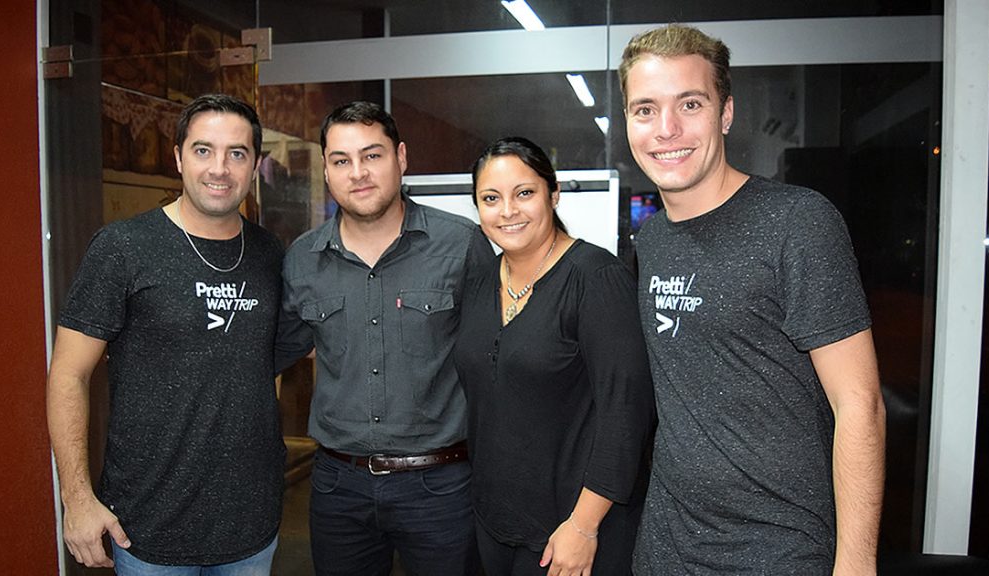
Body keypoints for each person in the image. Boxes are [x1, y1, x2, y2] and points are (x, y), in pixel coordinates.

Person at [620, 24, 887, 575]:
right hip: (667, 547)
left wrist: (857, 564)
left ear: (726, 113)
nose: (666, 129)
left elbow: (860, 406)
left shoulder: (799, 222)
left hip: (779, 549)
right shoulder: (650, 240)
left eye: (689, 104)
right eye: (644, 109)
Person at [46, 93, 285, 574]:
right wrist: (77, 498)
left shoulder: (271, 253)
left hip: (252, 527)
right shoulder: (123, 247)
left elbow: (266, 366)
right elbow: (68, 375)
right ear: (177, 157)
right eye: (203, 150)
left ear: (255, 164)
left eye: (236, 153)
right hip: (146, 528)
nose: (219, 168)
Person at [274, 101, 492, 576]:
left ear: (401, 158)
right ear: (327, 172)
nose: (358, 173)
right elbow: (268, 351)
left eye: (372, 155)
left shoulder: (461, 244)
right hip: (337, 487)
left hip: (440, 485)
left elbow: (500, 358)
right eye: (341, 160)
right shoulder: (303, 260)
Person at [454, 136, 656, 576]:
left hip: (570, 531)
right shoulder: (480, 279)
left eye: (524, 193)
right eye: (491, 198)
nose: (508, 210)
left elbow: (626, 415)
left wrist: (583, 527)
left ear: (554, 193)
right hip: (493, 521)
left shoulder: (597, 279)